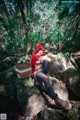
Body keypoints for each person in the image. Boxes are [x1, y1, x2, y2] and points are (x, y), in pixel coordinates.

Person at [30, 43, 71, 110]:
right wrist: (47, 56)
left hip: (42, 72)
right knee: (45, 77)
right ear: (36, 50)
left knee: (46, 62)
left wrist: (52, 56)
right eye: (39, 50)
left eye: (41, 50)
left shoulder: (42, 55)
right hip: (36, 74)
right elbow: (41, 58)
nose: (40, 52)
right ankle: (57, 99)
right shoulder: (34, 56)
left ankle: (46, 75)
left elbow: (48, 59)